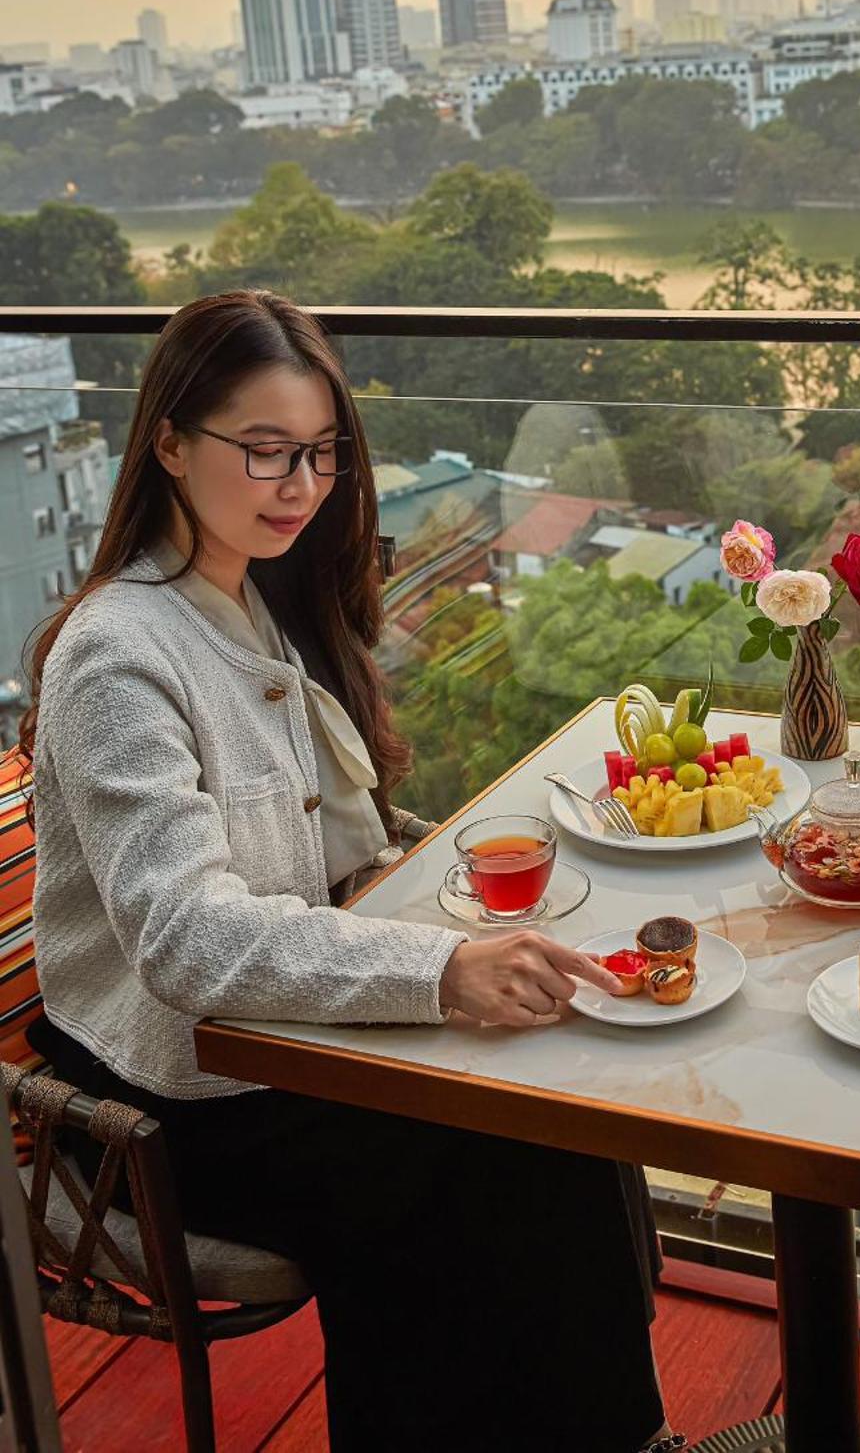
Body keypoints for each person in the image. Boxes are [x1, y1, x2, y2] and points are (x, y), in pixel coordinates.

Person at [22, 288, 685, 1453]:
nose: (301, 484)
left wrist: (446, 919)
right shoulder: (118, 656)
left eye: (321, 453)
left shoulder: (247, 603)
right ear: (169, 442)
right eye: (265, 450)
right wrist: (442, 971)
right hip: (167, 1095)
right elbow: (184, 941)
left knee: (559, 1111)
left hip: (275, 1036)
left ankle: (608, 1430)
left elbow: (325, 859)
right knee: (466, 1160)